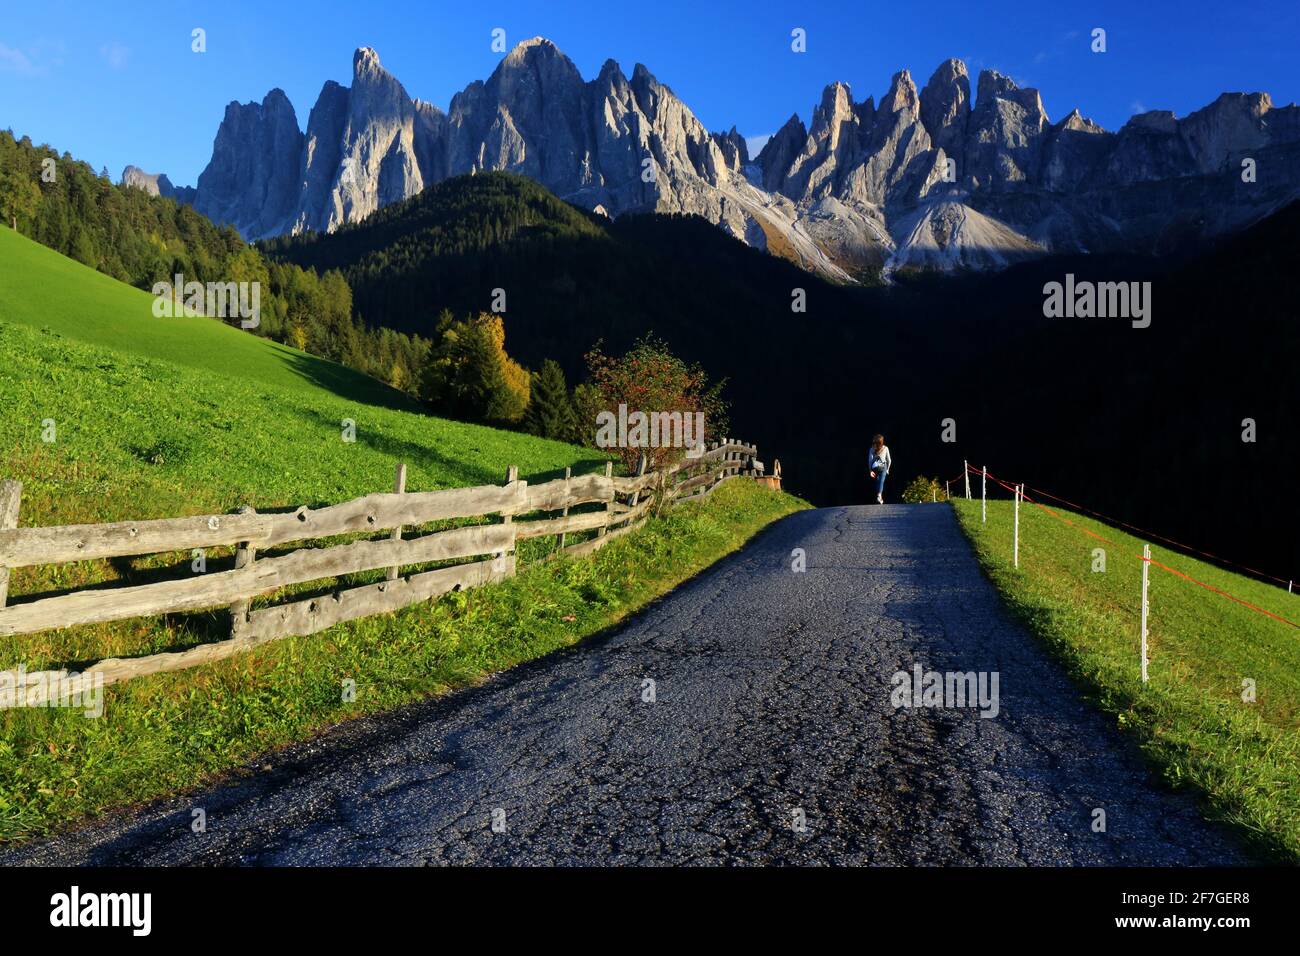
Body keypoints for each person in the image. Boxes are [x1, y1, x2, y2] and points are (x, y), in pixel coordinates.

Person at [868, 434, 891, 504]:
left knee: (878, 482)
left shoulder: (872, 449)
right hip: (883, 467)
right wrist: (888, 469)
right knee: (881, 481)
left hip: (875, 467)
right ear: (882, 441)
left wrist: (870, 470)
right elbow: (889, 460)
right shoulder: (885, 448)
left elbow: (870, 460)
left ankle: (879, 497)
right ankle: (879, 495)